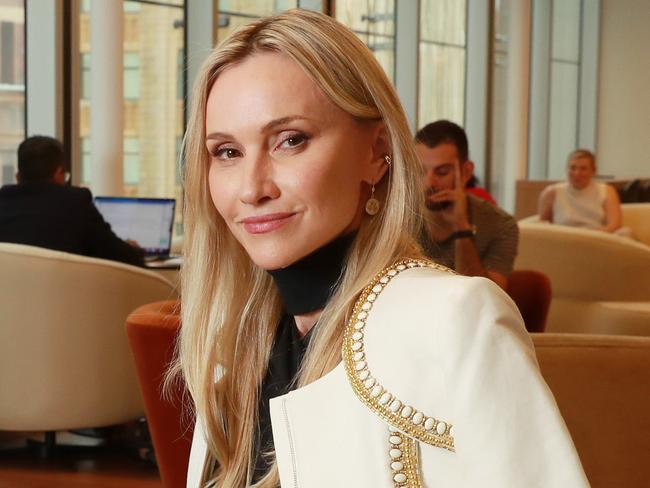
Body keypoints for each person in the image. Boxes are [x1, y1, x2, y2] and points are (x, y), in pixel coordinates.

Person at [176, 9, 588, 488]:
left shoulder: (455, 319)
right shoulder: (234, 337)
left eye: (290, 141)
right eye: (227, 152)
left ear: (376, 153)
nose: (251, 188)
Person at [0, 135, 144, 266]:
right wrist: (135, 251)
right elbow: (115, 253)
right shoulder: (75, 203)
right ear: (58, 174)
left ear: (17, 177)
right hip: (64, 293)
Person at [415, 120, 518, 290]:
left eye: (442, 172)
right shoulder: (395, 215)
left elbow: (487, 298)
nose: (429, 183)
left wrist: (461, 227)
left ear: (466, 172)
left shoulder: (501, 226)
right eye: (419, 170)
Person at [538, 149, 623, 233]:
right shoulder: (551, 193)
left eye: (583, 169)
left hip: (597, 238)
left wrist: (589, 237)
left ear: (593, 171)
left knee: (626, 233)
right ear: (567, 169)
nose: (577, 173)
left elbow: (614, 225)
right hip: (564, 240)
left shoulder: (606, 191)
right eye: (573, 168)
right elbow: (543, 226)